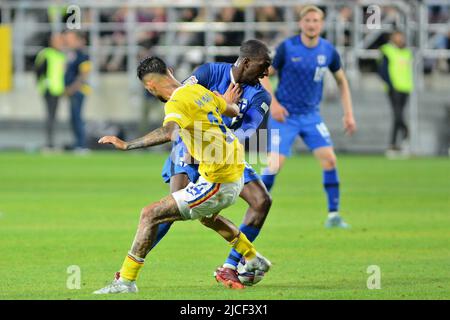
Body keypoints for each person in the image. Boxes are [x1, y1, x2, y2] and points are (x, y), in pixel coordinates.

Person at [93, 56, 271, 294]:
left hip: (219, 180)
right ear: (170, 70)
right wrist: (225, 103)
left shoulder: (176, 102)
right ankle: (252, 257)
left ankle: (125, 281)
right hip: (233, 170)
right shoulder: (199, 90)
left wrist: (127, 145)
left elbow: (169, 132)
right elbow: (231, 108)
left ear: (150, 87)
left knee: (150, 214)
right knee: (207, 217)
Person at [154, 39, 272, 288]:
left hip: (223, 155)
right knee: (170, 209)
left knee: (262, 201)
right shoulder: (208, 72)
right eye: (262, 66)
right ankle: (126, 273)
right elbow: (179, 102)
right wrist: (223, 106)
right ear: (246, 62)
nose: (266, 73)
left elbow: (244, 132)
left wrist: (220, 107)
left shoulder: (260, 95)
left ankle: (230, 267)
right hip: (189, 150)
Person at [260, 5, 357, 228]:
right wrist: (273, 104)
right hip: (284, 116)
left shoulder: (328, 51)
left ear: (321, 24)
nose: (311, 24)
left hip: (311, 116)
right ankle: (256, 207)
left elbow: (342, 81)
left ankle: (333, 215)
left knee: (330, 160)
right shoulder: (287, 47)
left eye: (315, 21)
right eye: (308, 21)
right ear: (301, 24)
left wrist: (348, 114)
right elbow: (264, 76)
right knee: (274, 165)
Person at [378, 30, 414, 156]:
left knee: (397, 117)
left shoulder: (407, 52)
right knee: (398, 115)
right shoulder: (387, 50)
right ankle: (406, 132)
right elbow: (382, 70)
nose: (400, 39)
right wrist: (390, 84)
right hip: (394, 88)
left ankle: (393, 144)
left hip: (406, 87)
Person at [35, 33, 66, 150]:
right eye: (58, 41)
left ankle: (51, 142)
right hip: (49, 89)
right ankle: (49, 143)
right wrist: (43, 84)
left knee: (53, 116)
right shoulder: (46, 54)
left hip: (58, 89)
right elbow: (38, 70)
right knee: (50, 116)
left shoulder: (61, 55)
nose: (60, 43)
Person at [64, 31, 91, 152]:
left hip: (78, 90)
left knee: (77, 117)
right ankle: (77, 143)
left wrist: (72, 88)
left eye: (72, 39)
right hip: (72, 90)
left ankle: (81, 144)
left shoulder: (83, 55)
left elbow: (83, 75)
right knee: (74, 118)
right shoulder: (72, 54)